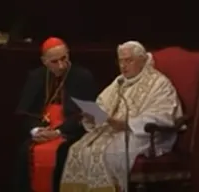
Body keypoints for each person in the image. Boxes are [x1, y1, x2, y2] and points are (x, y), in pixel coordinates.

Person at [59, 41, 183, 192]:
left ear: (142, 60)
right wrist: (93, 116)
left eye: (129, 61)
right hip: (112, 131)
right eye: (121, 61)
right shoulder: (119, 82)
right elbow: (102, 105)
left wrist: (127, 124)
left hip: (141, 135)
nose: (123, 66)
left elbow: (163, 116)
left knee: (107, 154)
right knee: (77, 150)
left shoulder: (159, 84)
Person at [14, 37, 99, 192]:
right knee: (23, 153)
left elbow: (90, 114)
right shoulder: (36, 77)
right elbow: (24, 112)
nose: (61, 65)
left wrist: (59, 131)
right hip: (43, 130)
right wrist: (36, 130)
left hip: (71, 132)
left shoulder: (83, 76)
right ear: (44, 61)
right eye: (54, 61)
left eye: (64, 58)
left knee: (64, 154)